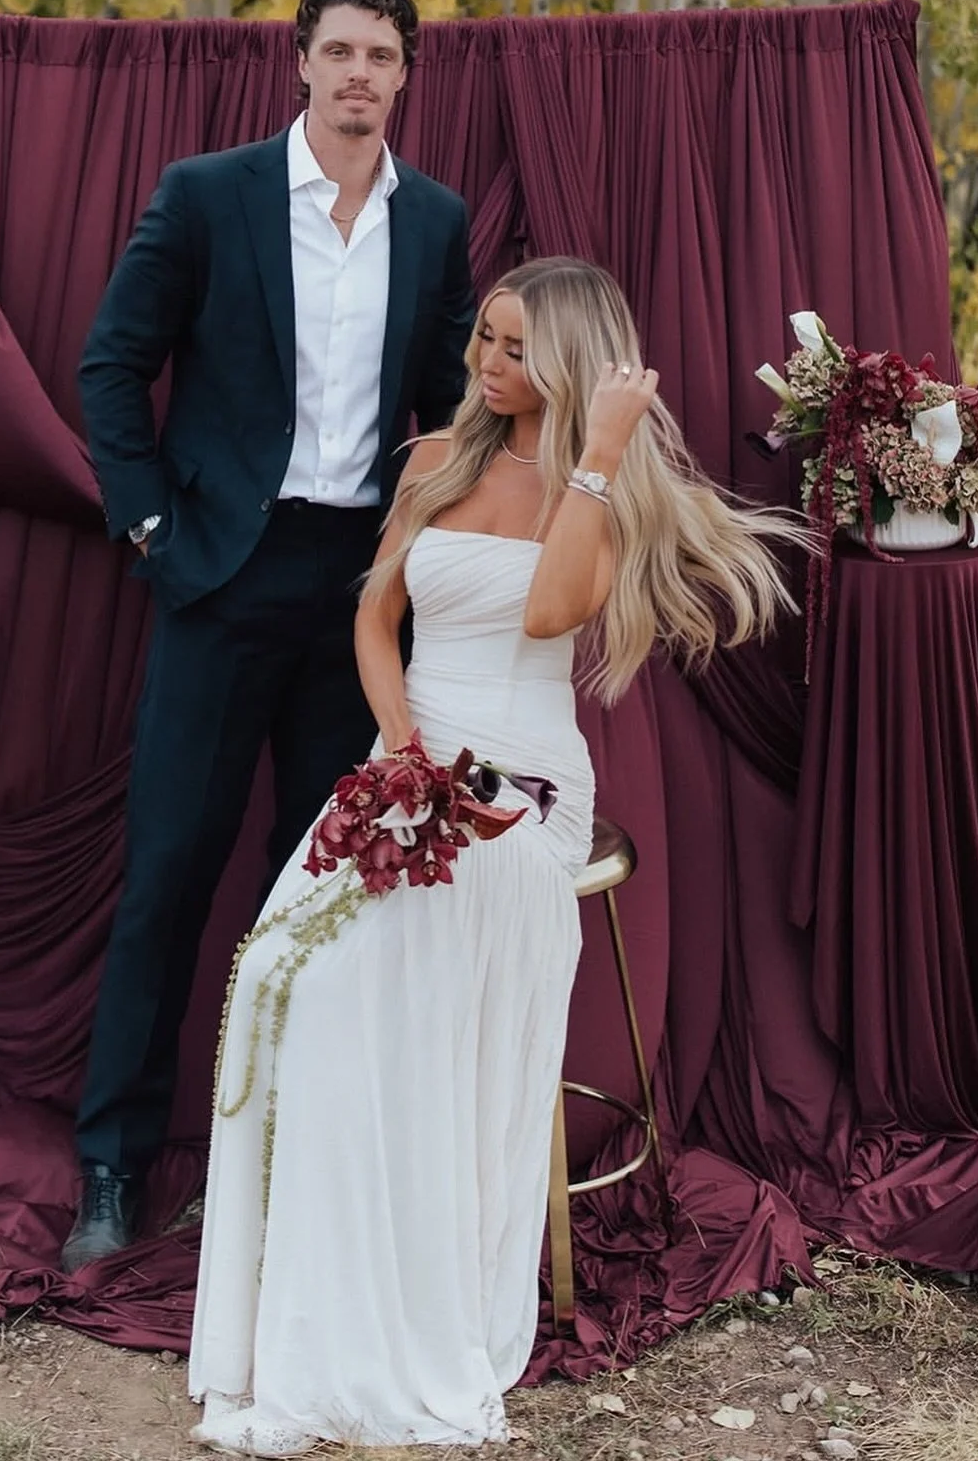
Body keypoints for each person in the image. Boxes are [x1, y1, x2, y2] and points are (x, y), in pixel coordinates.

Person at [187, 257, 805, 1456]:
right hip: (411, 757)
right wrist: (406, 756)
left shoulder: (605, 498)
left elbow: (543, 616)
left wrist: (597, 453)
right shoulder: (434, 460)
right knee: (278, 976)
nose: (487, 361)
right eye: (484, 336)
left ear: (568, 365)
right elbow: (376, 618)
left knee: (381, 989)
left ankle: (403, 1306)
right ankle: (308, 1295)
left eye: (517, 349)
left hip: (519, 789)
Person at [67, 0, 476, 1270]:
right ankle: (112, 1171)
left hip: (358, 594)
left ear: (406, 74)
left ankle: (290, 1160)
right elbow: (109, 370)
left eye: (382, 56)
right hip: (217, 572)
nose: (361, 74)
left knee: (320, 890)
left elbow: (455, 408)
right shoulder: (207, 197)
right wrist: (149, 535)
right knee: (166, 879)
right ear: (300, 62)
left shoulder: (437, 223)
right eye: (340, 51)